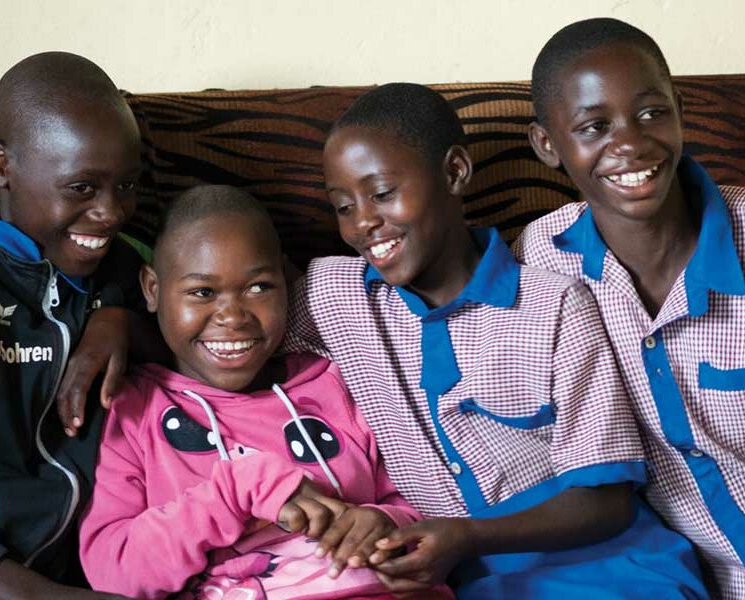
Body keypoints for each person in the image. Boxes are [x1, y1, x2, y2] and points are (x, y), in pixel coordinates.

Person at [283, 82, 708, 598]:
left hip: (612, 566)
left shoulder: (554, 305)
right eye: (344, 206)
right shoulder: (337, 294)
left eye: (382, 194)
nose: (364, 222)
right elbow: (226, 315)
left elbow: (608, 500)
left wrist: (466, 537)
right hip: (469, 581)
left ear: (454, 172)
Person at [79, 185, 452, 599]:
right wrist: (235, 492)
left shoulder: (333, 382)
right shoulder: (135, 410)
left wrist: (385, 521)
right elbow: (113, 570)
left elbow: (419, 503)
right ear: (152, 289)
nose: (233, 316)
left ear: (285, 281)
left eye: (258, 287)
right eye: (202, 292)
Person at [513, 17, 745, 599]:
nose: (631, 144)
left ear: (679, 108)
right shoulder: (542, 260)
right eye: (594, 126)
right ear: (548, 145)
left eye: (651, 113)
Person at [0, 51, 152, 599]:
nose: (112, 212)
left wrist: (124, 323)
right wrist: (27, 593)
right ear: (0, 166)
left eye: (127, 186)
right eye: (82, 188)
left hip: (117, 573)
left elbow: (230, 340)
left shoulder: (134, 265)